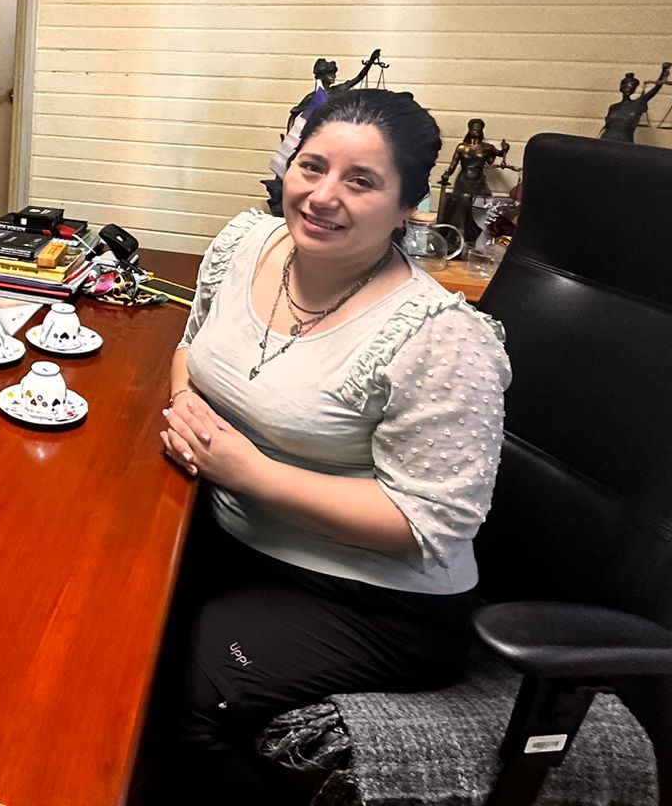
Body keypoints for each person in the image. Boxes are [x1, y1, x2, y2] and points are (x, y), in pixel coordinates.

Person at [155, 89, 511, 802]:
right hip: (235, 535)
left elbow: (432, 526)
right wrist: (185, 401)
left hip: (374, 601)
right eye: (312, 167)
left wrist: (250, 473)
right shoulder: (245, 244)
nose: (323, 196)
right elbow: (191, 347)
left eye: (361, 181)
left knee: (177, 689)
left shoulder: (442, 336)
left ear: (408, 205)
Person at [264, 49, 385, 213]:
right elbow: (295, 113)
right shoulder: (313, 97)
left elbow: (357, 79)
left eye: (334, 74)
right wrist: (291, 134)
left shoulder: (338, 91)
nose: (333, 77)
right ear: (322, 76)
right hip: (312, 138)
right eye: (330, 74)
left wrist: (370, 63)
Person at [436, 118, 509, 244]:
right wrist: (447, 174)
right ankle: (455, 235)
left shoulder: (487, 148)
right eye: (473, 129)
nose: (476, 131)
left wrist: (505, 149)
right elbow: (453, 164)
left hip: (478, 181)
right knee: (461, 203)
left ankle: (475, 236)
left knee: (478, 205)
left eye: (478, 129)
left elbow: (499, 154)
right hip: (463, 180)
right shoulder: (462, 147)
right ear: (469, 130)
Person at [600, 62, 670, 142]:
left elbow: (655, 88)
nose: (628, 88)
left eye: (631, 86)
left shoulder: (638, 104)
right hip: (605, 141)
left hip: (624, 142)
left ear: (634, 89)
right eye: (625, 85)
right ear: (621, 87)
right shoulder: (613, 107)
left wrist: (663, 72)